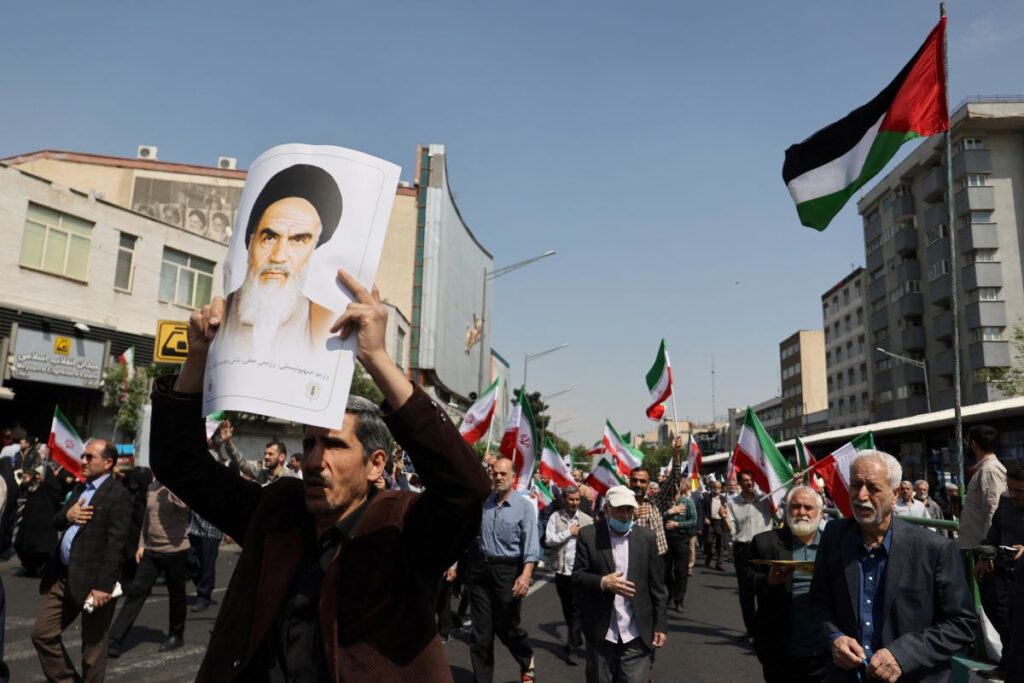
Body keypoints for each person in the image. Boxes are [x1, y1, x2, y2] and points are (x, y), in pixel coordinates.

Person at [150, 275, 491, 681]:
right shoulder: (277, 511)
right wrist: (199, 357)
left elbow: (466, 489)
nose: (314, 460)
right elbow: (178, 463)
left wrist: (377, 358)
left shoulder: (402, 529)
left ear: (376, 464)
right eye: (309, 443)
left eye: (334, 446)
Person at [810, 449, 977, 683]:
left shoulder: (933, 549)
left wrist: (902, 655)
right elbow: (818, 602)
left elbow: (962, 624)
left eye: (873, 488)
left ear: (894, 494)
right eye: (856, 485)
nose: (861, 496)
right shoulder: (835, 536)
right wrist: (834, 638)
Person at [31, 438, 133, 683]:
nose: (83, 460)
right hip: (65, 577)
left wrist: (103, 586)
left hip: (94, 583)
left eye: (90, 457)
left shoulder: (118, 495)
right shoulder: (81, 489)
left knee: (92, 651)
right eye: (84, 456)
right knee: (42, 634)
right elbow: (57, 520)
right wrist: (68, 514)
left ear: (108, 463)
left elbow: (116, 545)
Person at [220, 164, 343, 358]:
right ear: (251, 242)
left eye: (298, 240)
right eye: (269, 238)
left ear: (313, 250)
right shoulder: (220, 317)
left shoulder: (326, 323)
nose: (278, 256)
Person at [572, 485, 668, 683]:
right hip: (601, 631)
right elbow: (578, 576)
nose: (625, 515)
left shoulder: (646, 538)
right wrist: (602, 582)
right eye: (619, 509)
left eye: (629, 510)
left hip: (636, 632)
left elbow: (657, 586)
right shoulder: (589, 535)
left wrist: (660, 625)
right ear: (607, 509)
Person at [469, 456, 540, 683]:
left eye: (503, 474)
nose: (498, 477)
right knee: (481, 634)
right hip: (481, 570)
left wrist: (526, 575)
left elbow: (531, 545)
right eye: (495, 473)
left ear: (513, 477)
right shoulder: (485, 502)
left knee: (506, 626)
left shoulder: (524, 507)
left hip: (508, 571)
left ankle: (526, 656)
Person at [747, 486, 828, 682]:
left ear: (819, 512)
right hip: (780, 649)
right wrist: (768, 580)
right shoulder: (765, 543)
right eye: (796, 506)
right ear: (786, 509)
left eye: (808, 507)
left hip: (824, 652)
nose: (802, 512)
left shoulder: (833, 545)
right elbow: (746, 582)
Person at [107, 479, 190, 657]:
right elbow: (147, 518)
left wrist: (169, 487)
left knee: (176, 595)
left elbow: (184, 506)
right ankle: (115, 639)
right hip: (152, 550)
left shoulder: (180, 486)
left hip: (175, 550)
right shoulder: (152, 486)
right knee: (137, 590)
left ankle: (176, 635)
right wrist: (141, 544)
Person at [974, 461, 1024, 680]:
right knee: (1003, 622)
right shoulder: (1005, 500)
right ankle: (1006, 665)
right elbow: (994, 532)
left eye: (1019, 490)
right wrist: (985, 556)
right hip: (1003, 573)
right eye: (1010, 488)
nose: (1013, 494)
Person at [545, 485, 594, 665]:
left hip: (579, 573)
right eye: (571, 500)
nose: (574, 503)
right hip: (561, 571)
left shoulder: (587, 520)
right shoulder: (555, 517)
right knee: (567, 608)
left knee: (575, 610)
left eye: (577, 500)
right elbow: (549, 540)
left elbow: (593, 546)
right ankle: (574, 637)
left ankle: (572, 648)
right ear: (565, 500)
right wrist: (568, 533)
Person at [728, 469, 774, 644]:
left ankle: (764, 629)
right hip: (743, 550)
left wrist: (796, 484)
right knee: (746, 594)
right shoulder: (733, 503)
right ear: (739, 483)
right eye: (745, 480)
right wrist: (725, 518)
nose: (748, 483)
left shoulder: (766, 499)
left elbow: (782, 510)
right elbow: (731, 531)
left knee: (765, 591)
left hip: (764, 549)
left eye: (751, 479)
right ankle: (752, 630)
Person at [960, 425, 1007, 551]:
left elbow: (993, 509)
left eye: (967, 442)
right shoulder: (983, 469)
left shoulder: (989, 470)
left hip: (982, 549)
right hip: (975, 545)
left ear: (973, 444)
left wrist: (988, 550)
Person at [662, 479, 698, 611]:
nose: (673, 489)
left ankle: (679, 600)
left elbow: (694, 520)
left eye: (675, 486)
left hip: (681, 538)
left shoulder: (687, 502)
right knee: (665, 570)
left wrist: (678, 524)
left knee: (681, 571)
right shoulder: (665, 503)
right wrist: (669, 513)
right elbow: (657, 516)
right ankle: (670, 592)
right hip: (666, 538)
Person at [222, 430, 298, 486]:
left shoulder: (292, 479)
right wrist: (228, 443)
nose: (266, 457)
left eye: (270, 454)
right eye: (265, 454)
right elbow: (242, 463)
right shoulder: (262, 474)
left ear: (281, 457)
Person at [702, 479, 728, 570]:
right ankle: (709, 556)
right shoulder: (706, 497)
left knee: (720, 544)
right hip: (710, 522)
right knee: (708, 542)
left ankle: (719, 563)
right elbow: (703, 509)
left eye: (718, 488)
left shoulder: (723, 498)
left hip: (720, 523)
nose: (716, 489)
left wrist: (725, 510)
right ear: (711, 488)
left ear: (721, 489)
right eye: (714, 487)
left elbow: (727, 511)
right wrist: (705, 517)